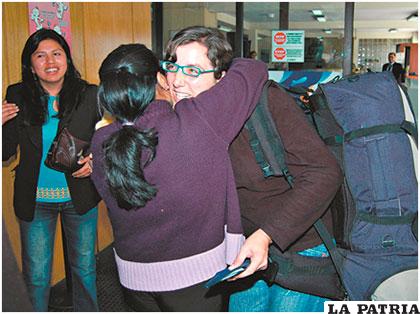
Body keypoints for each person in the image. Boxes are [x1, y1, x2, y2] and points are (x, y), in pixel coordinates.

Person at [163, 26, 342, 312]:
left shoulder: (263, 103)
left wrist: (265, 235)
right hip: (246, 252)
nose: (177, 81)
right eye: (173, 67)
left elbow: (325, 172)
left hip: (301, 247)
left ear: (221, 78)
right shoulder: (187, 118)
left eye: (193, 71)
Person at [90, 40, 267, 311]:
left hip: (132, 278)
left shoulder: (101, 140)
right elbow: (253, 69)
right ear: (162, 79)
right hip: (195, 281)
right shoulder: (196, 120)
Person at [2, 28, 101, 311]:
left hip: (79, 198)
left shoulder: (89, 94)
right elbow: (5, 152)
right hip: (35, 202)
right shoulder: (17, 95)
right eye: (40, 55)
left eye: (57, 53)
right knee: (36, 277)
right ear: (30, 65)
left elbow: (107, 140)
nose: (50, 61)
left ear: (67, 59)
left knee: (85, 271)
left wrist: (95, 161)